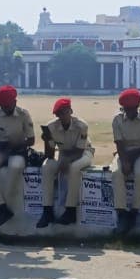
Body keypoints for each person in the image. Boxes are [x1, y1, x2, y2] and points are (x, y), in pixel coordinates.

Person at [36, 97, 95, 228]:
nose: (62, 116)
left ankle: (70, 211)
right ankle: (47, 211)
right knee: (47, 166)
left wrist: (65, 161)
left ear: (71, 111)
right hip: (63, 152)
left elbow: (79, 151)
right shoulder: (52, 126)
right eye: (59, 114)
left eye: (65, 112)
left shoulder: (81, 125)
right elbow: (50, 155)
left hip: (84, 151)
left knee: (74, 168)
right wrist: (47, 140)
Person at [0, 85, 34, 227]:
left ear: (15, 102)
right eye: (2, 106)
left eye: (7, 105)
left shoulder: (24, 114)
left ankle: (5, 205)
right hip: (1, 149)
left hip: (19, 149)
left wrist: (16, 144)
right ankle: (1, 206)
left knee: (15, 166)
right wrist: (0, 145)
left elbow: (31, 140)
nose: (5, 108)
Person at [110, 87, 140, 234]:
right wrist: (124, 161)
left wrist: (133, 155)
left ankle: (135, 211)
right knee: (117, 173)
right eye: (126, 109)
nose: (128, 112)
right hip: (124, 152)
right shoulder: (117, 119)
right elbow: (119, 143)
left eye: (131, 109)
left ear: (138, 107)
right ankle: (122, 213)